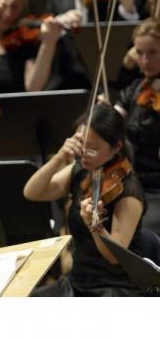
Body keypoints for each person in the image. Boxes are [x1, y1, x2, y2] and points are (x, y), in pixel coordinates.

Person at [24, 103, 144, 296]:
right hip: (77, 282)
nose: (84, 153)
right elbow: (32, 192)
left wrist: (94, 226)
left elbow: (114, 257)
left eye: (93, 148)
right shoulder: (81, 171)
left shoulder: (128, 190)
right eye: (82, 144)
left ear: (116, 147)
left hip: (112, 288)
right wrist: (60, 157)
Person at [114, 17, 160, 235]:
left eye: (152, 52)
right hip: (132, 182)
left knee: (143, 230)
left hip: (156, 187)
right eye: (140, 53)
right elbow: (112, 120)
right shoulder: (134, 88)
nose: (145, 60)